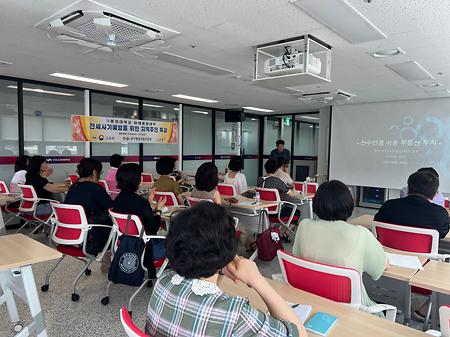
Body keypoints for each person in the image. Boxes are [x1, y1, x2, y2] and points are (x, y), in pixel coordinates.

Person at [145, 202, 306, 337]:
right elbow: (296, 333)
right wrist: (258, 281)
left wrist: (219, 265)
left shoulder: (164, 280)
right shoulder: (236, 315)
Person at [293, 180, 388, 311]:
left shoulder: (304, 226)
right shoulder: (361, 233)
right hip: (351, 310)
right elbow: (378, 270)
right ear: (348, 205)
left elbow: (297, 259)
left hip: (311, 300)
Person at [113, 163, 166, 278]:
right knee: (178, 241)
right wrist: (158, 210)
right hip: (146, 249)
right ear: (135, 180)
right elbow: (154, 227)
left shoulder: (118, 199)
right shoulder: (140, 203)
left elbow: (139, 216)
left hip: (125, 245)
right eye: (140, 175)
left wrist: (149, 202)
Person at [375, 171, 449, 239]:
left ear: (408, 189)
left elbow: (377, 223)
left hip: (387, 252)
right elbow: (442, 233)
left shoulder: (388, 206)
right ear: (434, 194)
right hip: (420, 253)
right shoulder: (440, 215)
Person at [64, 158, 113, 257]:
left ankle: (106, 262)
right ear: (95, 172)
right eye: (100, 172)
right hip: (91, 233)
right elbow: (112, 207)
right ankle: (108, 261)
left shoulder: (73, 187)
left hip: (71, 232)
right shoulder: (96, 188)